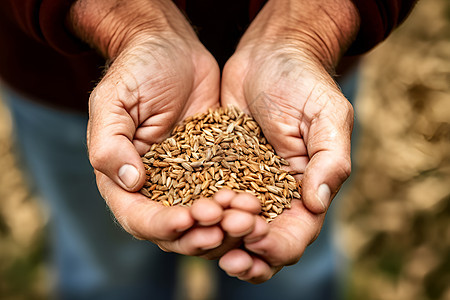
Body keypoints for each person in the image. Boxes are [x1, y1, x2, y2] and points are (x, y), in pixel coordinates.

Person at [0, 0, 417, 299]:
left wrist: (310, 28)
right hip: (71, 86)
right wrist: (126, 21)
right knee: (107, 274)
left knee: (291, 278)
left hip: (300, 97)